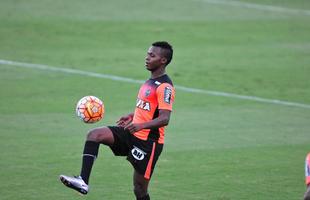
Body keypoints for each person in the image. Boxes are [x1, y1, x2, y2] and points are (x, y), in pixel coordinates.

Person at [59, 41, 175, 200]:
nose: (147, 58)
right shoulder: (149, 81)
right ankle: (83, 181)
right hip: (132, 133)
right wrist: (132, 116)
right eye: (147, 54)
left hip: (149, 143)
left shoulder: (165, 87)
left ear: (163, 60)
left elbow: (164, 118)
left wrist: (140, 125)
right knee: (94, 135)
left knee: (139, 190)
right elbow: (148, 109)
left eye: (152, 55)